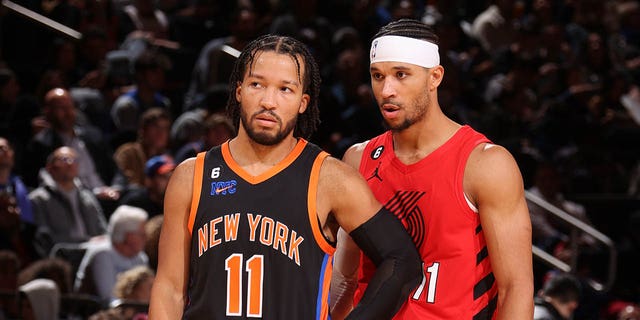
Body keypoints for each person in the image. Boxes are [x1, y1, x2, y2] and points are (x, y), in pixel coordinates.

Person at [148, 34, 422, 320]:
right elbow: (169, 288)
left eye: (285, 89)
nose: (269, 101)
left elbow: (402, 262)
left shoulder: (330, 178)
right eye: (257, 84)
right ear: (239, 90)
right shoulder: (193, 175)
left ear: (303, 102)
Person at [330, 19, 534, 320]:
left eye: (401, 75)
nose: (387, 90)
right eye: (377, 76)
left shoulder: (485, 164)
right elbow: (345, 277)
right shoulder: (358, 159)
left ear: (434, 77)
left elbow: (515, 289)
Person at [29, 147, 107, 254]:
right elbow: (44, 238)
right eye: (64, 159)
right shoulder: (38, 199)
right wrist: (86, 242)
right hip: (62, 256)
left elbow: (102, 228)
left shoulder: (87, 196)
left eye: (74, 160)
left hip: (94, 253)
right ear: (50, 167)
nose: (70, 163)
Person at [74, 205, 148, 303]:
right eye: (142, 234)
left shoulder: (140, 258)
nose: (146, 238)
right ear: (129, 236)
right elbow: (108, 297)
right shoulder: (102, 255)